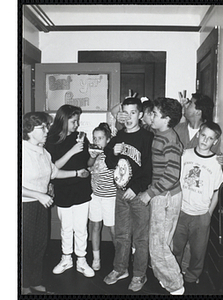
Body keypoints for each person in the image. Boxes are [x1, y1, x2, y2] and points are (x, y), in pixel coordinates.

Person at [22, 112, 79, 295]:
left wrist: (77, 173)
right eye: (43, 127)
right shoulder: (21, 151)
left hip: (41, 204)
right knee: (25, 246)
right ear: (30, 130)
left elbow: (53, 173)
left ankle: (34, 281)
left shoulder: (43, 151)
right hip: (25, 205)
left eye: (47, 126)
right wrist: (38, 194)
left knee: (39, 244)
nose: (47, 131)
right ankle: (22, 285)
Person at [103, 97, 154, 292]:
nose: (129, 117)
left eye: (134, 112)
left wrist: (138, 188)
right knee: (122, 235)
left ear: (140, 115)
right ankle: (120, 269)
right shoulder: (117, 138)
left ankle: (139, 275)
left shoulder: (148, 138)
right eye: (126, 112)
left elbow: (150, 169)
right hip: (120, 193)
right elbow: (109, 164)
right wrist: (112, 152)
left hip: (140, 195)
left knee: (141, 238)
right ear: (121, 114)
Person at [139, 97, 185, 295]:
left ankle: (175, 285)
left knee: (158, 245)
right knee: (163, 241)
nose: (151, 116)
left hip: (165, 196)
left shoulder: (169, 138)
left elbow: (172, 174)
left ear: (166, 119)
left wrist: (150, 193)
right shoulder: (162, 133)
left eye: (155, 114)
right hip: (164, 193)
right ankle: (166, 278)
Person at [172, 121, 223, 291]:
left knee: (198, 252)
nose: (204, 140)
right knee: (176, 248)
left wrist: (208, 213)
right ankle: (174, 275)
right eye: (203, 135)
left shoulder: (216, 163)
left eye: (210, 138)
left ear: (214, 142)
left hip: (201, 215)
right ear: (198, 134)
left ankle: (192, 277)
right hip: (181, 211)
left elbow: (217, 190)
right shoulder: (185, 155)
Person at [45, 105, 95, 278]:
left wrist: (93, 157)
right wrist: (72, 150)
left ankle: (81, 260)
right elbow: (53, 167)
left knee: (81, 228)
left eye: (78, 121)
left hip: (81, 188)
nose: (77, 125)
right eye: (74, 121)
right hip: (63, 189)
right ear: (63, 120)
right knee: (66, 228)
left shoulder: (80, 137)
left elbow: (86, 164)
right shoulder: (51, 139)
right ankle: (66, 258)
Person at [87, 123, 117, 271]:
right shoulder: (94, 153)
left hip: (110, 197)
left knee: (113, 229)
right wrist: (92, 156)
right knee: (95, 226)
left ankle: (120, 258)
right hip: (96, 196)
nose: (97, 141)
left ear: (108, 139)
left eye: (100, 138)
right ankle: (96, 258)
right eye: (95, 138)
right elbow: (89, 165)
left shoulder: (111, 154)